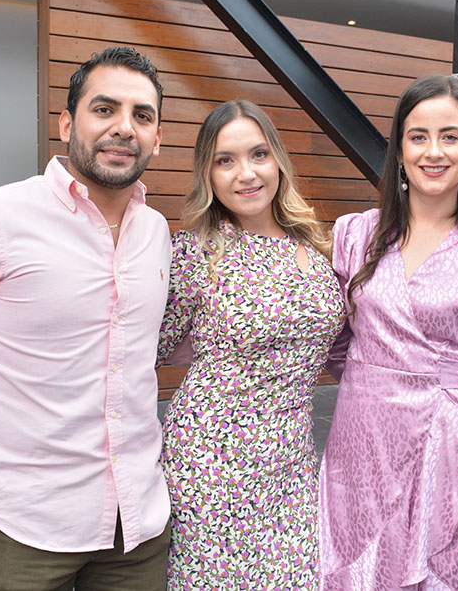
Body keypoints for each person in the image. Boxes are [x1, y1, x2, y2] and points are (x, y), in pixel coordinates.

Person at [0, 46, 172, 590]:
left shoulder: (157, 232)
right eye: (104, 109)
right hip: (25, 523)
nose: (124, 127)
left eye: (142, 115)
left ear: (157, 139)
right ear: (67, 122)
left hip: (136, 522)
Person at [318, 75, 458, 590]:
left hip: (449, 455)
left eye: (449, 136)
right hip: (359, 450)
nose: (433, 152)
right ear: (399, 150)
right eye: (418, 137)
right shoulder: (355, 234)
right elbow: (333, 341)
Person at [156, 100, 344, 590]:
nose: (246, 174)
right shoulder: (197, 249)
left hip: (291, 461)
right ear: (208, 174)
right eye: (225, 160)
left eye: (258, 154)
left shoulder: (315, 244)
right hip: (210, 462)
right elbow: (145, 351)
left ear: (278, 160)